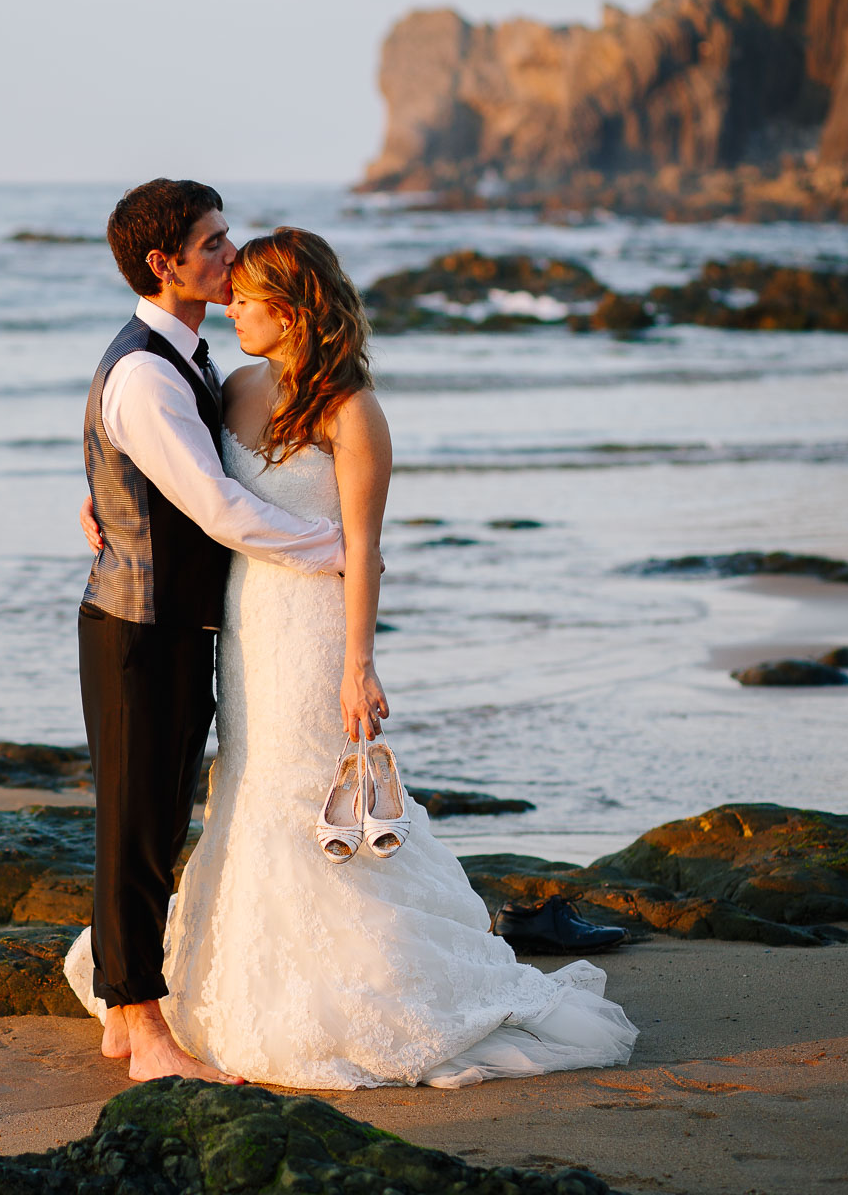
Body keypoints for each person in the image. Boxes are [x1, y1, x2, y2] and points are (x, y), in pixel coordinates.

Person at [65, 225, 638, 1089]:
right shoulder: (234, 386)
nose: (232, 304)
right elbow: (177, 473)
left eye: (250, 299)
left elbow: (364, 549)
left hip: (316, 628)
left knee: (308, 780)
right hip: (245, 622)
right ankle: (223, 981)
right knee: (250, 783)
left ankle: (359, 979)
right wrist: (106, 497)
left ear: (292, 312)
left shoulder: (352, 410)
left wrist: (358, 665)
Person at [70, 180, 349, 1083]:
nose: (234, 255)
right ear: (167, 263)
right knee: (136, 824)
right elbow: (222, 508)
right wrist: (337, 546)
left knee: (154, 820)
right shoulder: (149, 371)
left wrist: (106, 497)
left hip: (178, 622)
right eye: (217, 242)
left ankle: (126, 1016)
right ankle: (142, 1032)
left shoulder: (187, 359)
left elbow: (158, 480)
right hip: (139, 630)